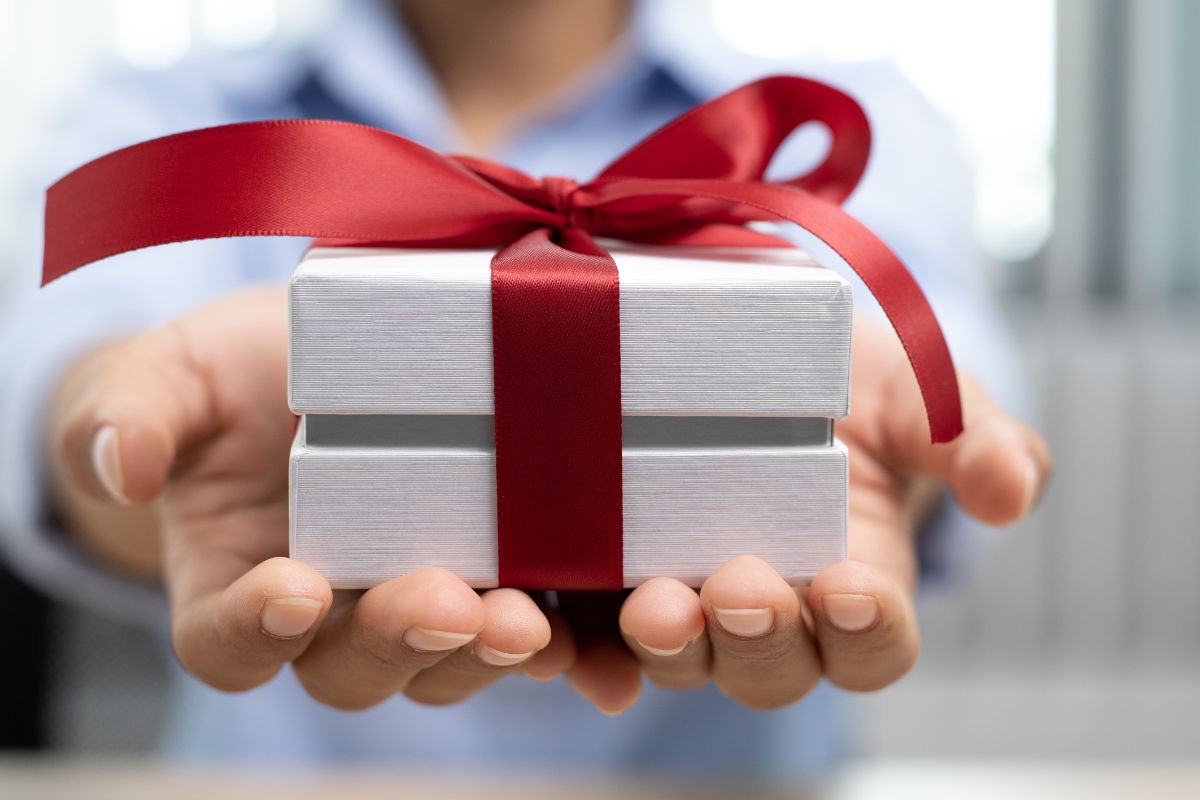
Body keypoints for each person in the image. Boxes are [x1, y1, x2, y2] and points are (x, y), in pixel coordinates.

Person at [0, 0, 1050, 780]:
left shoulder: (827, 124)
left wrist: (889, 462)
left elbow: (939, 388)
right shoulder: (163, 104)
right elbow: (69, 373)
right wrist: (128, 436)